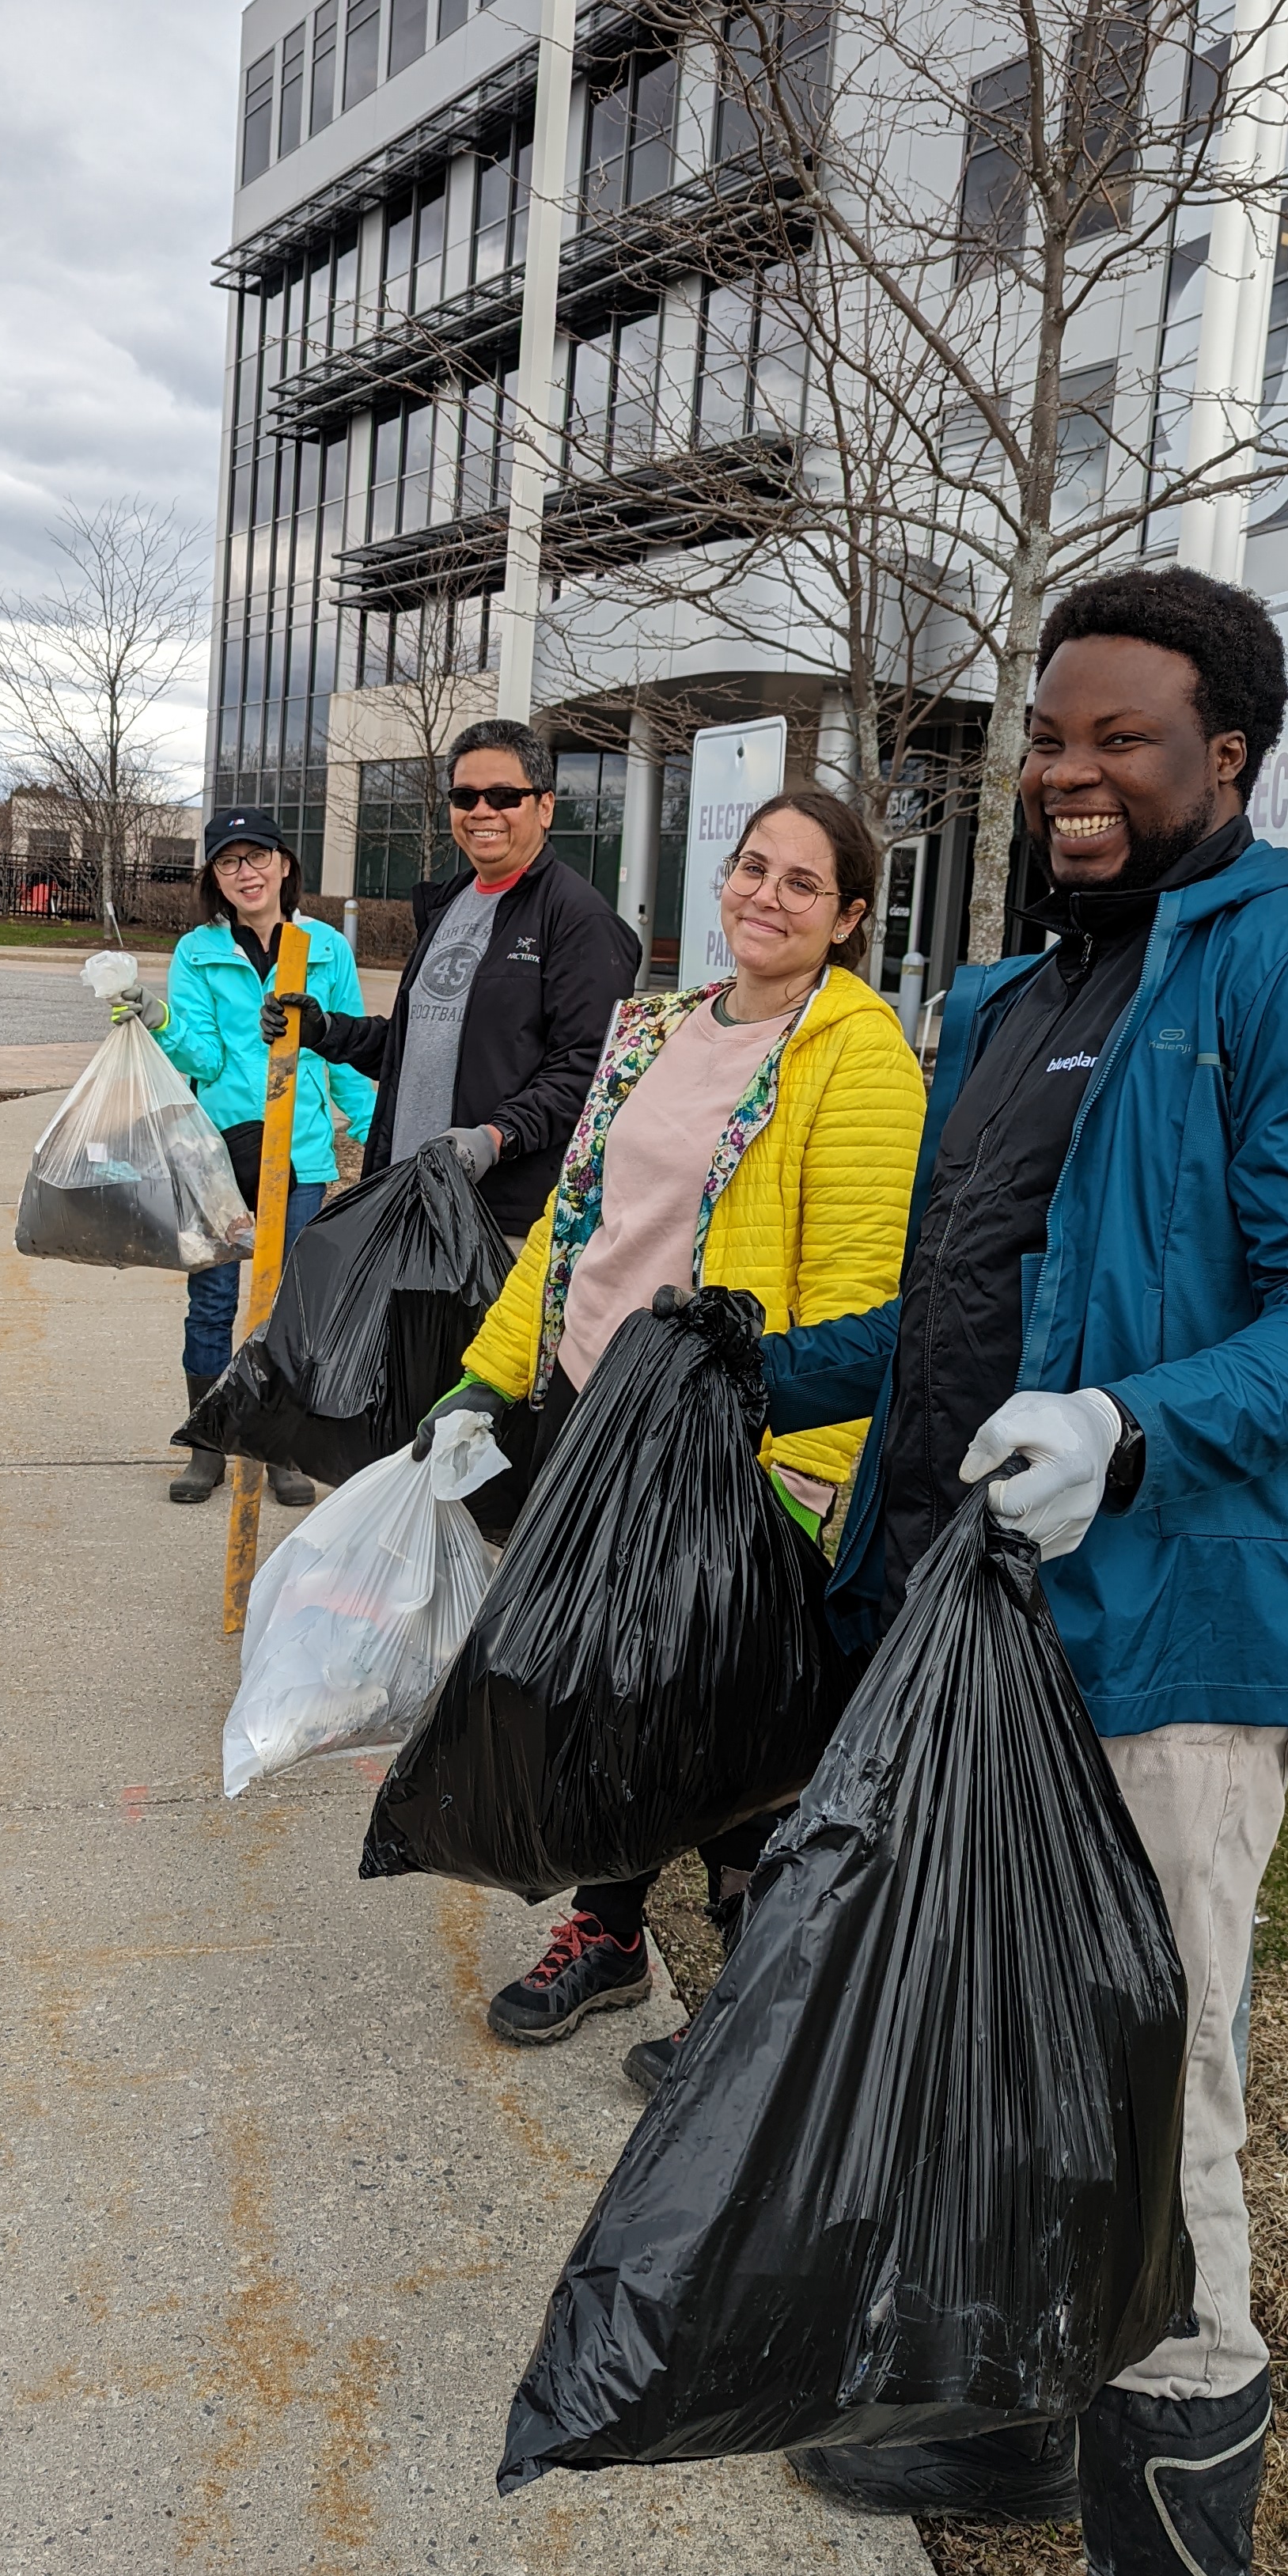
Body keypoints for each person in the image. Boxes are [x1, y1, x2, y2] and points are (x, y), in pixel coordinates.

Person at [759, 571, 1288, 2576]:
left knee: (1160, 2108)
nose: (1070, 775)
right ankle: (998, 2419)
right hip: (979, 1624)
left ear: (1229, 757)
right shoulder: (1003, 1005)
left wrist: (1137, 1428)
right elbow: (976, 1308)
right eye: (1048, 739)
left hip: (1176, 1627)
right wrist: (750, 1369)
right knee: (993, 2046)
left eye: (1124, 741)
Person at [418, 785, 926, 2052]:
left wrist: (799, 1490)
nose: (766, 896)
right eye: (755, 868)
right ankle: (615, 1933)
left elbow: (862, 1294)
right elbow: (571, 1231)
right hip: (595, 1407)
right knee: (604, 1685)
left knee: (721, 1696)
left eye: (803, 884)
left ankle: (747, 1972)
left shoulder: (856, 1053)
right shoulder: (651, 1031)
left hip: (726, 1428)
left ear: (851, 916)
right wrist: (487, 1376)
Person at [259, 719, 640, 1245]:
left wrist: (495, 1138)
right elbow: (419, 1046)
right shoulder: (450, 904)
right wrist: (327, 1032)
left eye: (504, 796)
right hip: (407, 1196)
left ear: (545, 806)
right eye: (465, 796)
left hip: (499, 1220)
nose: (482, 811)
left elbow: (585, 1071)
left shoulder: (580, 921)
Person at [112, 807, 373, 1510]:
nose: (245, 873)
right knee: (214, 1302)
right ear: (215, 879)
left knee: (288, 1306)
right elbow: (205, 1054)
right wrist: (156, 1016)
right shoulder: (199, 952)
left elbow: (346, 1049)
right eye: (229, 863)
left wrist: (376, 1133)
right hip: (220, 1155)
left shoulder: (324, 950)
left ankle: (280, 1442)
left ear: (286, 865)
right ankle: (209, 1443)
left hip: (302, 1156)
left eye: (257, 858)